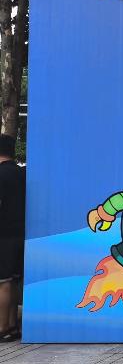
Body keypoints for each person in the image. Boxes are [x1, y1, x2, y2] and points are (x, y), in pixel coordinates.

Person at [0, 135, 24, 343]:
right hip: (20, 234)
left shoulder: (1, 174)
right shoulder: (21, 173)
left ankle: (2, 328)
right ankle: (13, 326)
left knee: (3, 282)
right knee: (14, 280)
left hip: (3, 234)